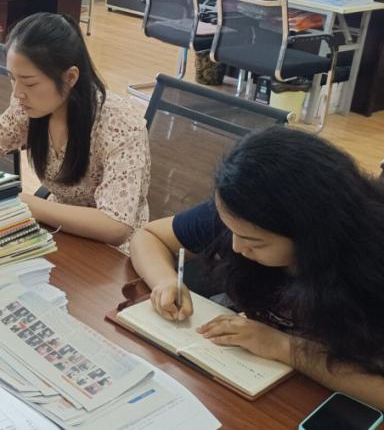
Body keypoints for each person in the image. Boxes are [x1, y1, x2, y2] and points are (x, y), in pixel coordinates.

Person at [129, 127, 384, 409]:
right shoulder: (241, 212)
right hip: (243, 387)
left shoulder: (370, 265)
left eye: (255, 243)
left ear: (312, 235)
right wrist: (165, 281)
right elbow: (149, 236)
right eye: (231, 230)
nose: (236, 247)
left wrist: (284, 348)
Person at [0, 12, 149, 245]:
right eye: (12, 78)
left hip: (113, 253)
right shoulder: (27, 107)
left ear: (70, 77)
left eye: (30, 83)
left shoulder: (120, 124)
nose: (17, 93)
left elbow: (115, 226)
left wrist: (21, 201)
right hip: (58, 234)